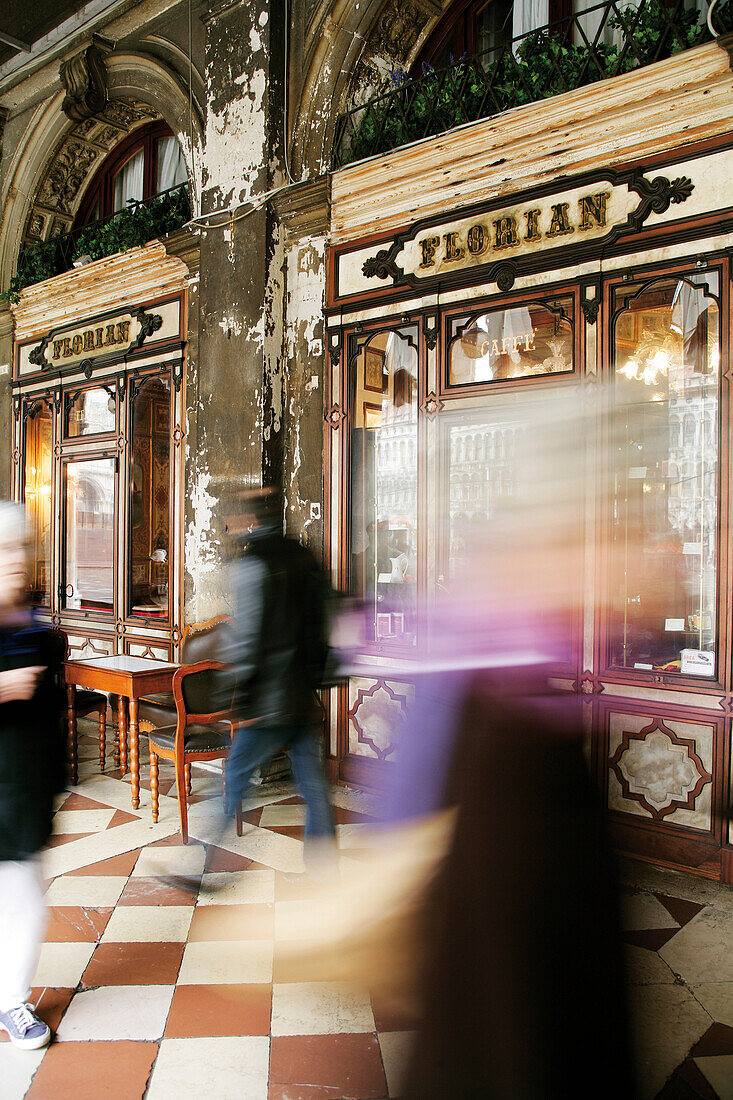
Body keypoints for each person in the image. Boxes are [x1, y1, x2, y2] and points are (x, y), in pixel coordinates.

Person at [217, 486, 337, 876]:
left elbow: (250, 639)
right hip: (301, 694)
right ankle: (324, 867)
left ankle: (202, 863)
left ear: (251, 521)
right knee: (313, 784)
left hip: (269, 699)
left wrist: (242, 696)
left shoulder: (253, 564)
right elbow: (322, 621)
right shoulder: (303, 555)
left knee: (234, 775)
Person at [0, 502, 65, 1049]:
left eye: (18, 549)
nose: (14, 562)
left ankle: (11, 1001)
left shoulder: (30, 622)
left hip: (19, 795)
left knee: (25, 903)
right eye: (1, 552)